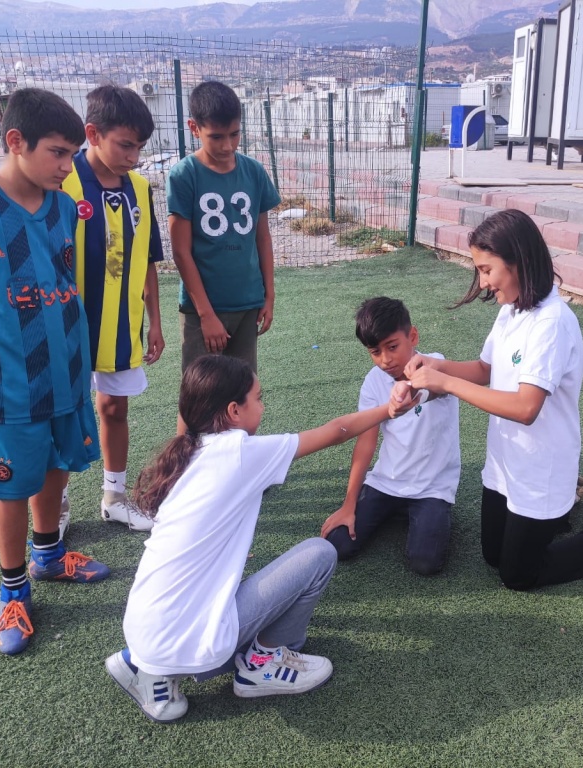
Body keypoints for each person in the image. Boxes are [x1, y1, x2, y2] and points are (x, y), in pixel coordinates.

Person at [106, 354, 395, 723]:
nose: (263, 405)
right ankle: (261, 664)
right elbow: (336, 430)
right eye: (258, 398)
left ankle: (144, 667)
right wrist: (389, 408)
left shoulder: (188, 453)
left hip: (141, 628)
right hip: (189, 642)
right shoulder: (238, 452)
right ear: (233, 411)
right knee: (319, 554)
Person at [0, 88, 110, 656]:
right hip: (5, 385)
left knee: (59, 464)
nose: (67, 165)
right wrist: (1, 339)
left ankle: (49, 555)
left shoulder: (63, 204)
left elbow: (63, 277)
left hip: (67, 371)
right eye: (58, 152)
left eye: (73, 153)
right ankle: (13, 589)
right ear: (15, 142)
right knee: (11, 485)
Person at [395, 209, 583, 592]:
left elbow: (526, 409)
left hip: (539, 464)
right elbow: (484, 369)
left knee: (518, 575)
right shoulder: (511, 311)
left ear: (518, 262)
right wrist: (435, 364)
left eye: (486, 269)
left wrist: (444, 382)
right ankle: (562, 502)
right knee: (493, 556)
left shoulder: (553, 323)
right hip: (506, 459)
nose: (481, 282)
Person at [60, 85, 164, 535]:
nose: (135, 157)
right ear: (92, 134)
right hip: (64, 326)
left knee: (115, 408)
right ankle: (56, 505)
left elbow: (148, 258)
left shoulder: (140, 188)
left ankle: (114, 497)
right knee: (62, 413)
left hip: (122, 327)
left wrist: (155, 320)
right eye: (126, 145)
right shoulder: (62, 181)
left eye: (140, 147)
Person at [320, 297, 461, 575]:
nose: (385, 359)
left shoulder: (437, 367)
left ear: (413, 336)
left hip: (431, 487)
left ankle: (433, 515)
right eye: (375, 351)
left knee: (425, 563)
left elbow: (436, 389)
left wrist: (407, 390)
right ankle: (387, 509)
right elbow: (366, 442)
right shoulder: (374, 381)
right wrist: (348, 505)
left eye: (392, 347)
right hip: (387, 482)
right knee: (337, 545)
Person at [167, 81, 279, 388]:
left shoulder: (254, 172)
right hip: (203, 309)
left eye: (235, 134)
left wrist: (268, 295)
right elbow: (181, 252)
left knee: (244, 394)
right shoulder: (183, 175)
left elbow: (263, 238)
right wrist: (206, 315)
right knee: (198, 398)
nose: (227, 145)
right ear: (194, 128)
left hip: (247, 304)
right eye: (216, 136)